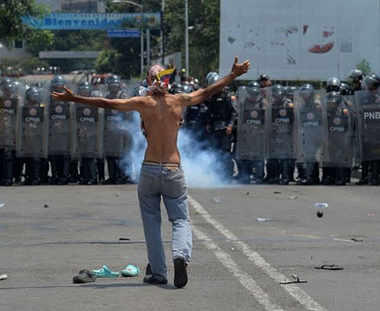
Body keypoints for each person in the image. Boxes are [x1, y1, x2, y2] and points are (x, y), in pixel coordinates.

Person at [51, 57, 252, 288]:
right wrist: (233, 74)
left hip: (148, 170)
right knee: (180, 220)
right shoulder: (178, 101)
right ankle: (180, 256)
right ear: (167, 80)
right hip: (172, 169)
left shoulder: (142, 103)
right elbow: (208, 91)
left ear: (149, 80)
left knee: (151, 223)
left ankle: (158, 272)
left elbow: (107, 102)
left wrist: (75, 98)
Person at [203, 73, 238, 183]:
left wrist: (230, 125)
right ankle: (217, 175)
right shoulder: (211, 97)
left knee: (226, 154)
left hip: (225, 128)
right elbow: (209, 111)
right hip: (214, 128)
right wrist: (208, 123)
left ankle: (228, 176)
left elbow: (234, 112)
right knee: (214, 153)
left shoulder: (228, 96)